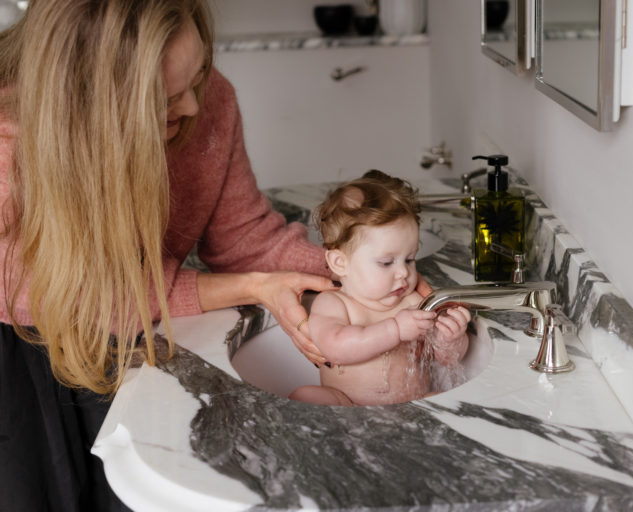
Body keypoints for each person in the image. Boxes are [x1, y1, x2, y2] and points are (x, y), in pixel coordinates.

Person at [0, 1, 346, 509]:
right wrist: (246, 286)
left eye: (199, 74)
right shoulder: (9, 139)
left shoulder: (209, 100)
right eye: (162, 100)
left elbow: (245, 237)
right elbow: (70, 289)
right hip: (16, 362)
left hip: (136, 333)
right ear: (85, 102)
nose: (190, 108)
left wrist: (357, 274)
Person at [290, 171, 470, 406]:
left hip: (413, 405)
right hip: (348, 406)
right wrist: (394, 330)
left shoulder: (412, 301)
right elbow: (336, 348)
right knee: (306, 396)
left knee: (447, 403)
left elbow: (446, 360)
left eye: (410, 259)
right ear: (340, 263)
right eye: (386, 262)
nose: (404, 273)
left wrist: (451, 338)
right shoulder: (334, 304)